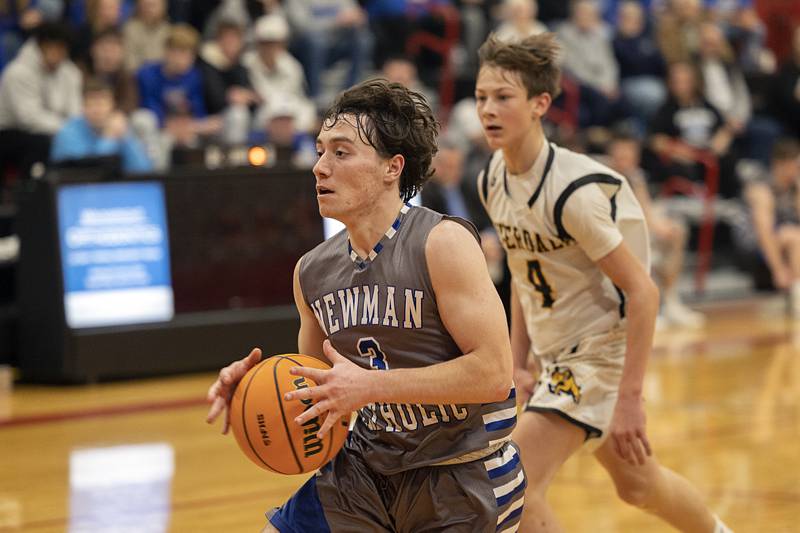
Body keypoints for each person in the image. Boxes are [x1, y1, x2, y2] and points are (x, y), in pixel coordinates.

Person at [206, 79, 524, 532]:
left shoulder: (442, 243)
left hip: (462, 474)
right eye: (319, 151)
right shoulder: (311, 272)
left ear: (392, 167)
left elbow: (494, 374)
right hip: (365, 471)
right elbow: (319, 387)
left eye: (341, 152)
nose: (319, 167)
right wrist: (252, 389)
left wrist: (371, 388)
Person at [474, 33, 733, 532]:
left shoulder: (573, 192)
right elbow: (523, 274)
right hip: (556, 355)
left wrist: (630, 398)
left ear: (539, 105)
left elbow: (644, 291)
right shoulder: (492, 178)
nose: (488, 108)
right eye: (482, 96)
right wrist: (516, 357)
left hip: (599, 355)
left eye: (503, 97)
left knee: (510, 485)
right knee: (638, 484)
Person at [606, 132, 705, 328]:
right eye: (623, 150)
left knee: (676, 231)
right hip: (610, 235)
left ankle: (671, 301)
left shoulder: (636, 175)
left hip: (634, 230)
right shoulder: (602, 174)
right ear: (613, 152)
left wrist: (662, 228)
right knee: (638, 242)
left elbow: (647, 211)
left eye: (631, 151)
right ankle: (645, 309)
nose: (627, 155)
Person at [739, 139, 800, 316]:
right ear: (781, 164)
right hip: (754, 249)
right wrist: (778, 269)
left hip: (785, 244)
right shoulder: (762, 188)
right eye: (796, 165)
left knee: (793, 235)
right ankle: (796, 296)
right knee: (793, 235)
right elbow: (763, 232)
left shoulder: (793, 189)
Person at [50, 77, 153, 173]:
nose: (97, 109)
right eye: (92, 103)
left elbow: (143, 171)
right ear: (83, 107)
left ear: (112, 105)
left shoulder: (119, 128)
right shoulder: (68, 133)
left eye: (102, 103)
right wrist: (108, 138)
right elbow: (91, 174)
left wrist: (126, 138)